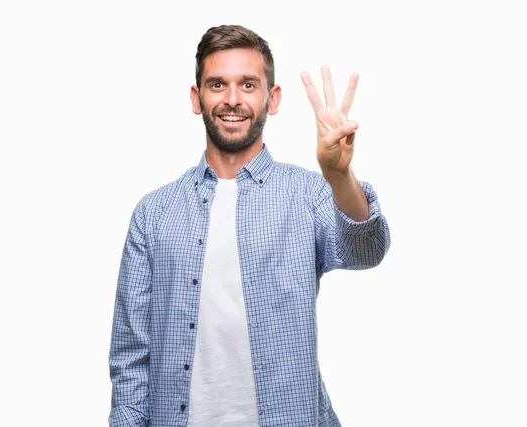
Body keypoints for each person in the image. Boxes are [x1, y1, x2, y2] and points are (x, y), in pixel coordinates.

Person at [108, 24, 391, 427]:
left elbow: (368, 251)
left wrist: (339, 176)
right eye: (217, 84)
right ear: (197, 97)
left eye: (248, 85)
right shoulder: (153, 213)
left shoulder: (308, 195)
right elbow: (130, 353)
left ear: (271, 99)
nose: (233, 99)